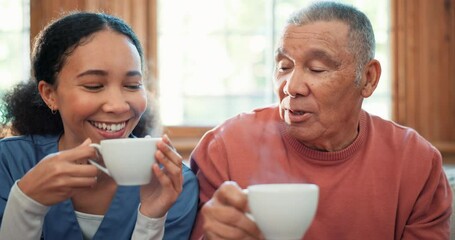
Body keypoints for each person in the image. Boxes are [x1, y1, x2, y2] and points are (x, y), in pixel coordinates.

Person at [189, 2, 452, 240]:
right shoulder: (224, 147)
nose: (291, 86)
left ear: (369, 78)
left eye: (316, 69)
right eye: (283, 66)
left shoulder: (415, 162)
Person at [0, 12, 198, 239]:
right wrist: (26, 202)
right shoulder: (9, 164)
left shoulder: (172, 185)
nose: (118, 106)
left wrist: (151, 220)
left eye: (132, 85)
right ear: (49, 94)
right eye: (93, 86)